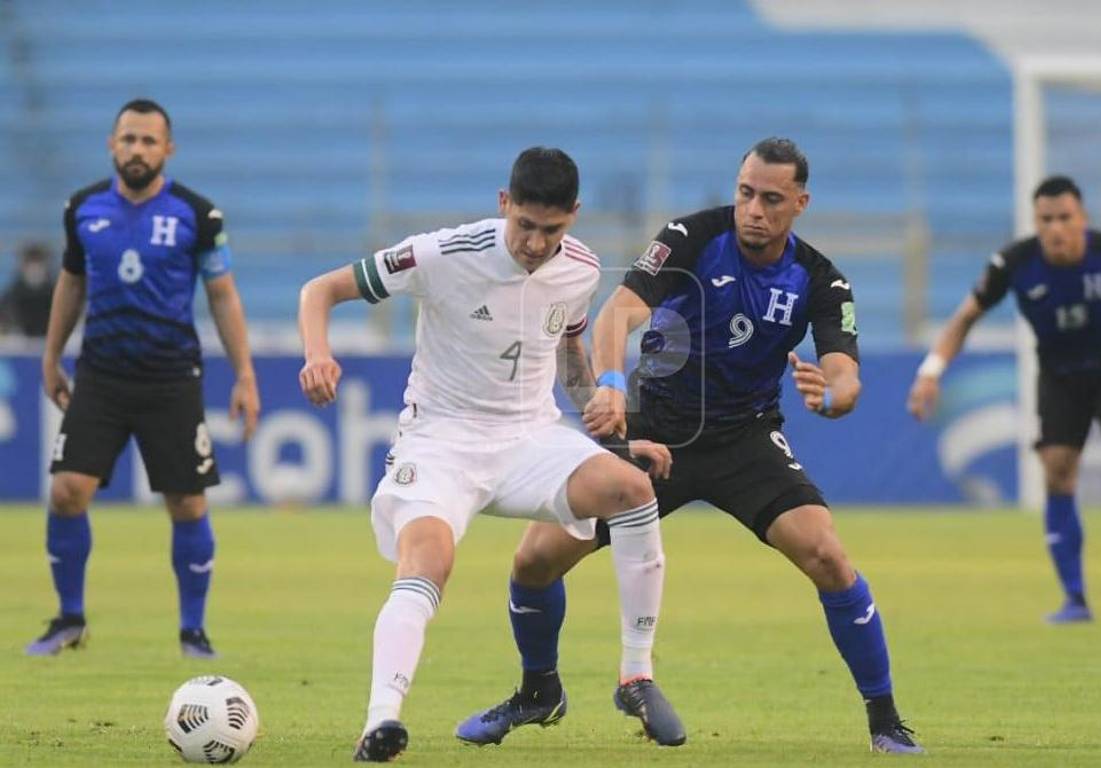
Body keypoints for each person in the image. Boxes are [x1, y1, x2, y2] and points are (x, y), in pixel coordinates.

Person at [457, 138, 924, 755]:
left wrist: (832, 398)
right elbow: (615, 317)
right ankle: (538, 692)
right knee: (533, 561)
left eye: (772, 199)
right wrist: (615, 387)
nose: (754, 209)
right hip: (655, 431)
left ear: (800, 203)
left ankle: (885, 719)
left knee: (828, 556)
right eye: (746, 192)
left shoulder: (821, 279)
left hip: (746, 440)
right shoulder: (691, 237)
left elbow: (845, 377)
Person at [298, 147, 680, 763]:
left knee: (631, 488)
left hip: (530, 437)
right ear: (504, 204)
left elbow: (571, 361)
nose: (534, 242)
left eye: (550, 229)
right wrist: (317, 354)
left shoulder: (580, 269)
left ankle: (636, 675)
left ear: (574, 217)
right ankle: (381, 722)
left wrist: (614, 436)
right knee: (429, 560)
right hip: (441, 440)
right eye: (524, 224)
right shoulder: (442, 254)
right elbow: (321, 291)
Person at [27, 98, 261, 660]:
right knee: (66, 491)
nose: (137, 150)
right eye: (128, 139)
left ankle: (192, 630)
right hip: (101, 374)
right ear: (112, 144)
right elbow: (72, 283)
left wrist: (245, 374)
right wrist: (51, 355)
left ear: (168, 149)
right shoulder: (83, 209)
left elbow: (222, 295)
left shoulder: (196, 215)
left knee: (187, 503)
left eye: (149, 141)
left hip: (170, 377)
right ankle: (70, 618)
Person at [908, 175, 1101, 624]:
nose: (1055, 229)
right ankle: (1075, 599)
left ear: (1083, 219)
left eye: (1064, 218)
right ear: (1036, 222)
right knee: (1057, 473)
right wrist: (930, 372)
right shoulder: (1013, 264)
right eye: (1046, 220)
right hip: (1059, 375)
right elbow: (964, 318)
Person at [0, 242, 56, 337]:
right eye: (31, 261)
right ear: (24, 265)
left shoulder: (55, 291)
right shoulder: (13, 291)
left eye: (38, 261)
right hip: (19, 340)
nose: (34, 267)